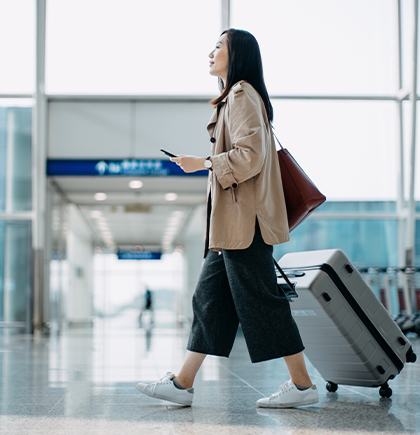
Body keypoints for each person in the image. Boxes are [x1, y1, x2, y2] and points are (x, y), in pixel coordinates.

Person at [135, 29, 318, 409]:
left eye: (219, 46)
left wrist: (201, 163)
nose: (211, 52)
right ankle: (182, 383)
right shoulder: (234, 98)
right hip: (230, 227)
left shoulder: (240, 95)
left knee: (261, 301)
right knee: (209, 300)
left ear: (237, 55)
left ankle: (302, 386)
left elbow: (250, 157)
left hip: (243, 225)